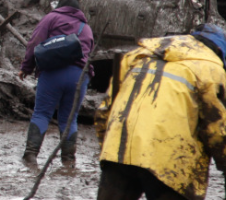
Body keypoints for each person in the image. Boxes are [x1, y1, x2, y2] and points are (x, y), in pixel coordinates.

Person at [95, 24, 226, 200]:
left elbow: (105, 110)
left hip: (118, 151)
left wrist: (107, 146)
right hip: (170, 162)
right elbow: (217, 129)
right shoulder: (211, 69)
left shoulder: (137, 55)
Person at [19, 0, 94, 167]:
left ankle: (30, 156)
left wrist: (26, 67)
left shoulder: (52, 18)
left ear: (61, 6)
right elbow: (89, 54)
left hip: (53, 74)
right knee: (69, 119)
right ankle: (68, 161)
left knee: (42, 113)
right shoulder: (87, 28)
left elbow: (34, 43)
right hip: (79, 77)